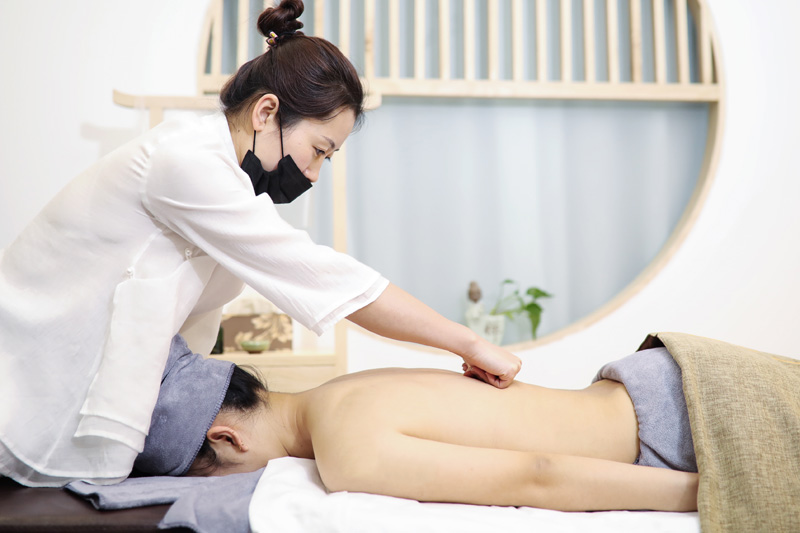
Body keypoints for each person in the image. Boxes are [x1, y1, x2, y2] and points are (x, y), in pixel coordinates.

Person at [0, 0, 519, 488]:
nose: (313, 174)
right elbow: (322, 276)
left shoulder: (224, 176)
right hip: (25, 374)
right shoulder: (187, 163)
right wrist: (468, 343)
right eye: (319, 150)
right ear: (267, 112)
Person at [134, 335, 699, 513]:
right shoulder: (340, 391)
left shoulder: (346, 450)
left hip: (681, 424)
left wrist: (711, 492)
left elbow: (539, 474)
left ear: (226, 438)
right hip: (656, 379)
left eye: (212, 477)